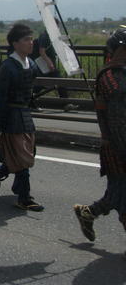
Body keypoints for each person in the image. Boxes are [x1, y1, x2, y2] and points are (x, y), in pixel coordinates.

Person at [73, 26, 126, 247]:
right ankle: (88, 212)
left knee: (119, 192)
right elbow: (117, 120)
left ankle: (88, 212)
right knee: (120, 191)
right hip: (117, 144)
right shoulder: (110, 77)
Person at [0, 23, 44, 211]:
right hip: (11, 116)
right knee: (22, 156)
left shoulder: (31, 64)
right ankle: (24, 197)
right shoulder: (8, 67)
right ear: (15, 43)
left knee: (26, 154)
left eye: (31, 39)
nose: (30, 43)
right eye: (26, 39)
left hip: (25, 114)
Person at [33, 24, 78, 111]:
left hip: (48, 66)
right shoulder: (45, 36)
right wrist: (50, 63)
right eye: (57, 26)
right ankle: (28, 99)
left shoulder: (50, 36)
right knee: (46, 83)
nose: (57, 28)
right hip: (47, 66)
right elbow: (42, 51)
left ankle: (66, 103)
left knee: (47, 83)